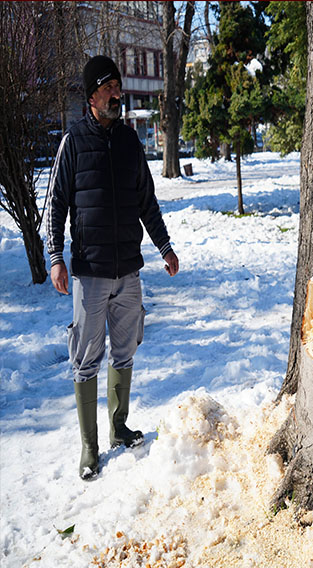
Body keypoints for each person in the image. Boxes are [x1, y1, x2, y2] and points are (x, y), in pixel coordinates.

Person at [46, 56, 180, 480]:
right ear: (92, 96)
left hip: (129, 271)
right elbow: (55, 204)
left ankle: (119, 428)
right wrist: (55, 258)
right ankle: (89, 447)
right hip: (90, 271)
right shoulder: (73, 142)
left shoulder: (129, 142)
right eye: (110, 89)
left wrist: (165, 246)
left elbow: (146, 200)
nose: (117, 95)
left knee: (125, 350)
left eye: (119, 88)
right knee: (86, 358)